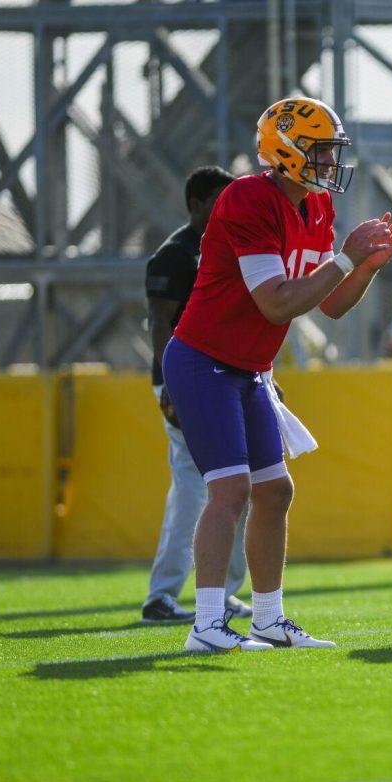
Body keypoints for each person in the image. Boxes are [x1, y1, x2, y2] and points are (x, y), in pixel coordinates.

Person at [164, 96, 392, 653]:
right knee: (228, 491)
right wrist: (344, 261)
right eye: (320, 151)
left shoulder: (317, 205)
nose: (329, 163)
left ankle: (268, 619)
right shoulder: (249, 197)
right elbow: (276, 304)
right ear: (288, 150)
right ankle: (205, 626)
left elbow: (331, 305)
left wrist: (365, 268)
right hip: (204, 359)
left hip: (249, 367)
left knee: (274, 490)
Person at [141, 166, 251, 624]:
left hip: (231, 374)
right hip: (187, 378)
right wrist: (171, 386)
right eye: (219, 200)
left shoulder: (230, 245)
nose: (228, 207)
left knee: (243, 481)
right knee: (191, 486)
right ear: (197, 205)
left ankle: (222, 591)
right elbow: (160, 324)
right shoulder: (175, 255)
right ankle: (162, 596)